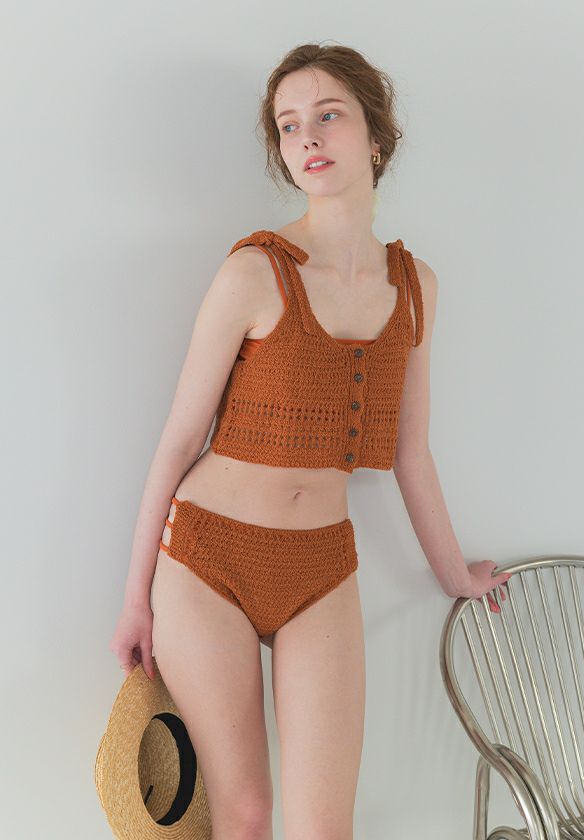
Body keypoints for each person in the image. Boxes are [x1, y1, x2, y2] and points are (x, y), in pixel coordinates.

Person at [109, 42, 510, 840]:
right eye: (289, 126)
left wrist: (454, 573)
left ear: (377, 138)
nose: (309, 137)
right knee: (246, 816)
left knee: (326, 828)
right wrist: (134, 600)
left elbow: (411, 453)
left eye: (329, 115)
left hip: (322, 566)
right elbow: (179, 442)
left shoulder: (415, 287)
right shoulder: (254, 272)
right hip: (208, 560)